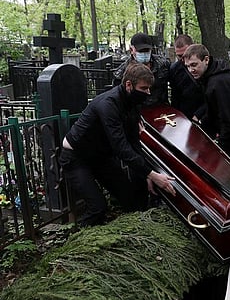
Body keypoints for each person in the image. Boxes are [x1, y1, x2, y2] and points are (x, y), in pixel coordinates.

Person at [60, 63, 176, 227]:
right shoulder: (108, 104)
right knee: (98, 207)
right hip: (77, 158)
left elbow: (134, 142)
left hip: (101, 157)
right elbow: (121, 147)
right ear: (129, 85)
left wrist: (147, 174)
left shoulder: (132, 103)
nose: (148, 93)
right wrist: (152, 175)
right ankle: (81, 240)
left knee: (130, 199)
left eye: (149, 88)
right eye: (144, 88)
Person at [182, 44, 230, 161]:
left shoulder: (218, 83)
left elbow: (227, 120)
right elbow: (213, 112)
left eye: (194, 65)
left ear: (206, 60)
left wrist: (222, 150)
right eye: (187, 66)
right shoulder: (213, 78)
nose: (191, 70)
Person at [113, 32, 170, 107]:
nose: (144, 54)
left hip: (160, 109)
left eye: (147, 50)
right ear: (131, 49)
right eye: (140, 51)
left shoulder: (163, 64)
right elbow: (118, 97)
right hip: (136, 110)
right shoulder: (122, 72)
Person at [168, 34, 206, 121]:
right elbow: (175, 96)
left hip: (205, 113)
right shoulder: (174, 69)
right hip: (185, 115)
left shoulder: (203, 65)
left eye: (185, 55)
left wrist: (199, 114)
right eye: (179, 56)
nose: (183, 59)